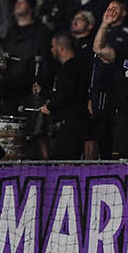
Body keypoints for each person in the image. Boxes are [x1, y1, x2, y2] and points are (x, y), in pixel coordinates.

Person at [40, 32, 91, 160]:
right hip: (72, 123)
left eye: (53, 46)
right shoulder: (71, 67)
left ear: (61, 48)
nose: (51, 50)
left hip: (72, 125)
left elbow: (66, 94)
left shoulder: (71, 68)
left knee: (65, 160)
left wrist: (50, 107)